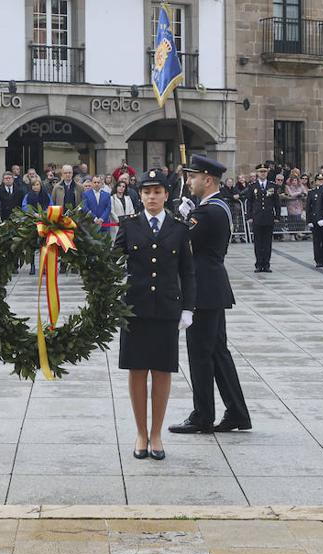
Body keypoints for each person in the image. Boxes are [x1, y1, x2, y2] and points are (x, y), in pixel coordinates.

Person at [115, 169, 195, 461]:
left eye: (157, 192)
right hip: (134, 308)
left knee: (162, 371)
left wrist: (188, 308)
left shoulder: (179, 227)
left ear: (166, 195)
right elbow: (113, 263)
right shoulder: (129, 225)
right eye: (146, 192)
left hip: (165, 308)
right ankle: (140, 433)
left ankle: (157, 434)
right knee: (137, 371)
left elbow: (187, 271)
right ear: (140, 195)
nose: (151, 197)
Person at [170, 155, 250, 437]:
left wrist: (181, 218)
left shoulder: (208, 212)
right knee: (218, 353)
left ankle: (202, 415)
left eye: (192, 177)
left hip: (203, 291)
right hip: (214, 287)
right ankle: (237, 412)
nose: (188, 182)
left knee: (201, 356)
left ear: (208, 179)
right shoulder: (217, 207)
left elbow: (180, 244)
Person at [243, 163, 279, 273]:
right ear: (257, 173)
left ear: (267, 173)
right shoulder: (252, 186)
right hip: (257, 217)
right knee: (258, 242)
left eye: (264, 172)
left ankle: (266, 264)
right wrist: (249, 216)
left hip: (268, 217)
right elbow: (249, 202)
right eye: (261, 172)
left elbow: (276, 202)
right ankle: (259, 264)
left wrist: (277, 216)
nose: (263, 174)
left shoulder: (272, 186)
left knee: (267, 242)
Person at [21, 175, 51, 274]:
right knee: (32, 245)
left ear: (41, 185)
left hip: (44, 222)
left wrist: (43, 214)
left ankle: (44, 266)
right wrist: (34, 214)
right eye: (33, 185)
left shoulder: (46, 195)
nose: (35, 187)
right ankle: (32, 266)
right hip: (32, 222)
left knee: (44, 244)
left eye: (37, 185)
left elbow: (50, 205)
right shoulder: (28, 196)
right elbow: (24, 206)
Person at [306, 173, 323, 268]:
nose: (320, 182)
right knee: (317, 241)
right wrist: (309, 220)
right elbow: (309, 207)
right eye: (319, 180)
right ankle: (318, 259)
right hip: (315, 219)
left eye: (322, 180)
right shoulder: (312, 192)